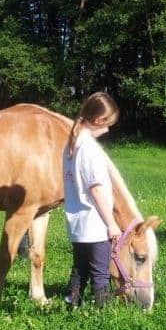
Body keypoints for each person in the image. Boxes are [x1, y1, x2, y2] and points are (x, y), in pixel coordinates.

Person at [63, 92, 121, 308]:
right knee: (100, 273)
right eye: (109, 124)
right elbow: (96, 190)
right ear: (99, 120)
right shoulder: (90, 150)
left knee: (79, 268)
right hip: (95, 223)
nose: (109, 129)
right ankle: (102, 315)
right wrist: (111, 224)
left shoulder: (71, 145)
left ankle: (70, 304)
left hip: (77, 222)